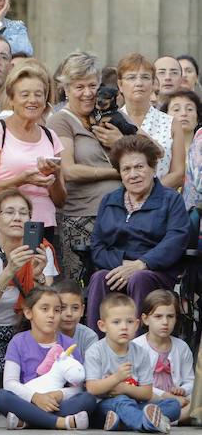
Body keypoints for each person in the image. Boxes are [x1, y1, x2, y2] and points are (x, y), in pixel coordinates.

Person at [86, 135, 190, 336]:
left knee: (139, 278)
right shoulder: (109, 201)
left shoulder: (171, 200)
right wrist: (123, 264)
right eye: (126, 169)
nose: (133, 174)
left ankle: (140, 350)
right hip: (117, 269)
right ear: (120, 173)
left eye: (139, 167)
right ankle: (96, 349)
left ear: (153, 168)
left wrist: (141, 263)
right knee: (99, 277)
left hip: (155, 272)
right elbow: (97, 246)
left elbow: (176, 239)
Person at [0, 189, 58, 392]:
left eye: (23, 213)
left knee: (48, 367)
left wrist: (38, 276)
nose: (17, 217)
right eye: (9, 212)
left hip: (30, 330)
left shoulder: (42, 252)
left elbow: (48, 306)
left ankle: (11, 394)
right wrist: (9, 270)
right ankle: (10, 392)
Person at [47, 52, 122, 281]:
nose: (88, 93)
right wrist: (117, 174)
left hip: (117, 215)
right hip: (82, 219)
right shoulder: (60, 120)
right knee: (81, 289)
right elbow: (68, 170)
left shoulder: (105, 118)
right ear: (66, 89)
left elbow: (151, 149)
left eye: (92, 85)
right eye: (79, 86)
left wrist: (119, 140)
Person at [0, 63, 66, 245]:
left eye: (39, 94)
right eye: (25, 95)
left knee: (38, 273)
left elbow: (61, 200)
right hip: (2, 225)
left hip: (42, 224)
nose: (33, 100)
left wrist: (54, 175)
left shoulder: (50, 136)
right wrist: (21, 180)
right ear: (12, 99)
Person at [0, 286, 96, 430]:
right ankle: (60, 423)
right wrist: (35, 397)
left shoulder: (69, 345)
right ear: (28, 312)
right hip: (27, 400)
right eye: (45, 309)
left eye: (57, 310)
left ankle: (28, 421)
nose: (52, 315)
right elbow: (10, 383)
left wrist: (59, 394)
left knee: (87, 399)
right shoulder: (18, 342)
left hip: (56, 403)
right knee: (0, 396)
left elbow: (77, 388)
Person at [85, 293, 180, 433]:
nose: (124, 327)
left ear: (136, 324)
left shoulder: (140, 353)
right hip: (104, 407)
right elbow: (92, 388)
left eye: (129, 322)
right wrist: (116, 378)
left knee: (173, 405)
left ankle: (123, 422)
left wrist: (123, 387)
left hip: (135, 405)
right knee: (122, 401)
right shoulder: (95, 351)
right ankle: (145, 423)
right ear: (103, 325)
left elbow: (147, 393)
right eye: (116, 322)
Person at [117, 54, 185, 188]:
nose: (139, 83)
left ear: (154, 83)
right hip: (118, 199)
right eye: (131, 77)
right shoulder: (112, 121)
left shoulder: (170, 123)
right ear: (120, 84)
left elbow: (178, 173)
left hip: (160, 200)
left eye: (145, 77)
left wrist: (149, 193)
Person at [134, 290, 194, 424]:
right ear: (145, 319)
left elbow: (190, 380)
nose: (165, 322)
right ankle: (173, 418)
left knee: (197, 398)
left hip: (180, 399)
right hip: (149, 398)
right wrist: (168, 397)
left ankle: (163, 419)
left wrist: (183, 389)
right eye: (158, 316)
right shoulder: (136, 347)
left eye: (170, 316)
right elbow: (137, 384)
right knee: (133, 398)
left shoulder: (182, 347)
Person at [53, 279, 98, 356]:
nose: (69, 314)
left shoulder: (89, 337)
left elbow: (92, 366)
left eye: (75, 308)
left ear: (82, 310)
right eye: (62, 307)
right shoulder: (46, 334)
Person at [159, 90, 201, 162]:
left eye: (190, 109)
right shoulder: (157, 151)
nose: (184, 113)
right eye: (176, 109)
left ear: (198, 117)